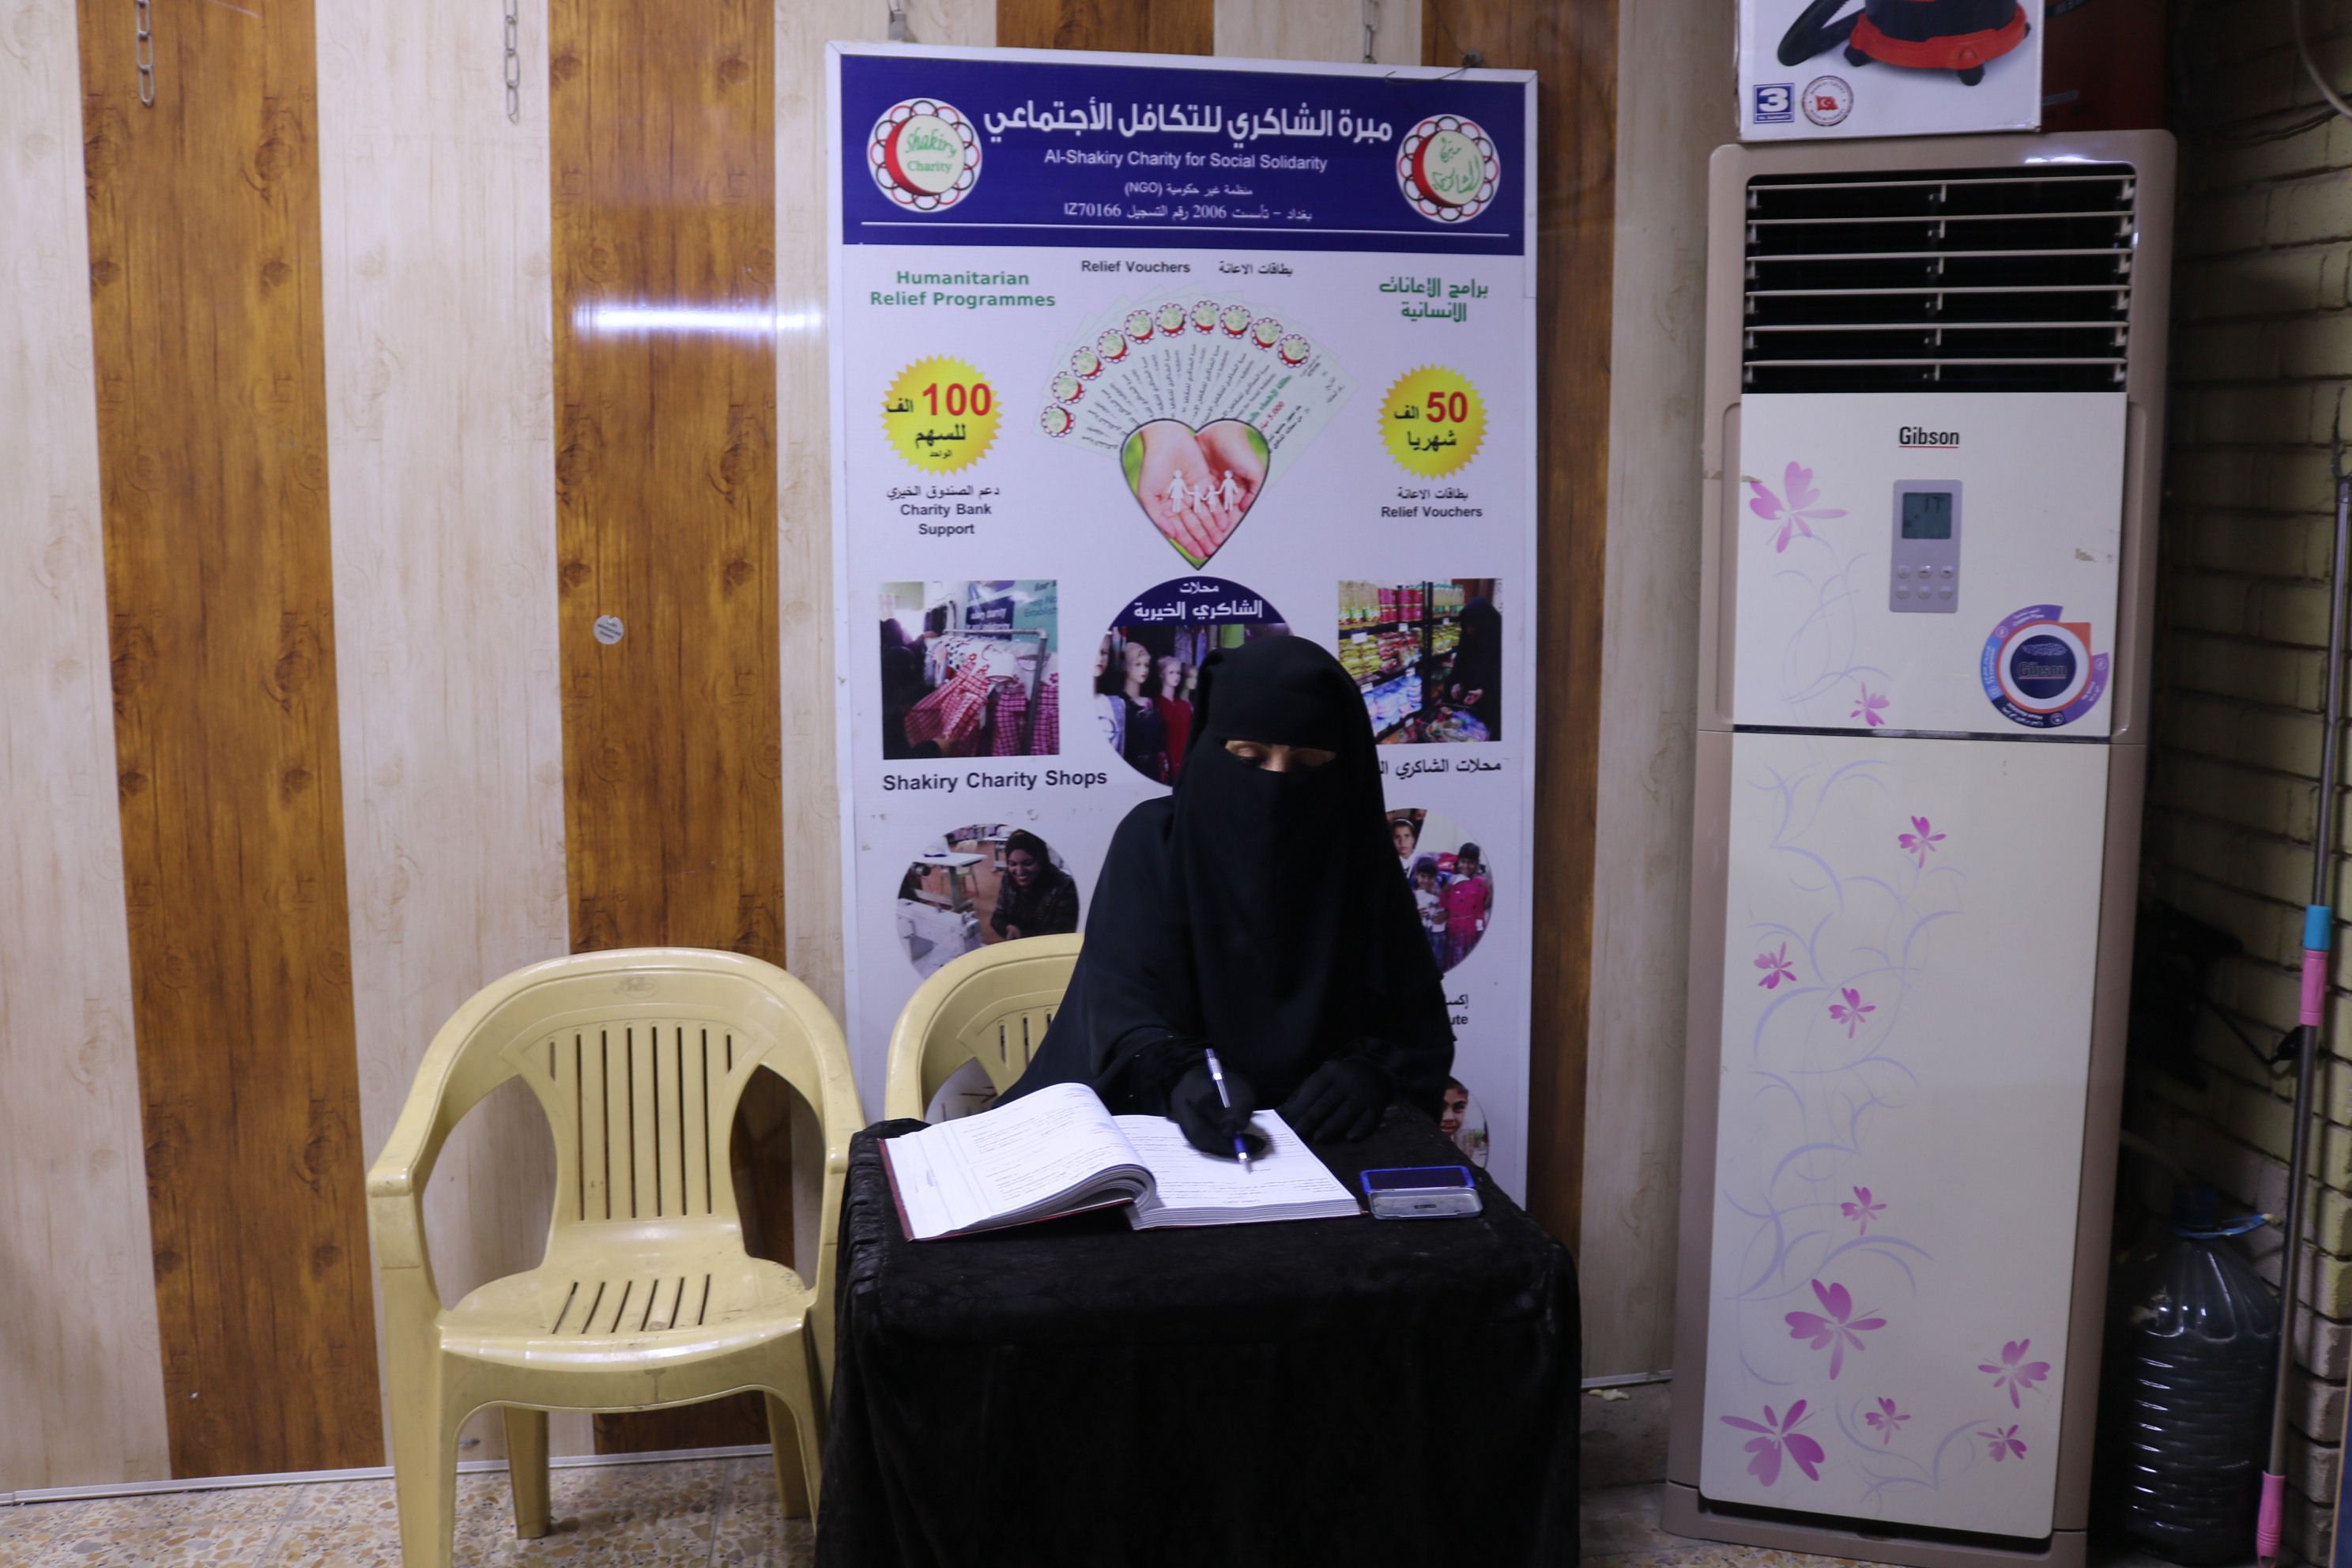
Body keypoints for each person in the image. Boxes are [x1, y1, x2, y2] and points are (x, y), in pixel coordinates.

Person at [1002, 635, 1455, 1153]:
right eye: (1249, 757)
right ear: (1209, 749)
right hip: (1155, 1132)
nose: (1276, 787)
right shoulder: (1156, 841)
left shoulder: (1359, 858)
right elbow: (1121, 1003)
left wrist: (1374, 1074)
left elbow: (1416, 1029)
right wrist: (1176, 1074)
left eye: (1308, 766)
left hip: (1320, 1142)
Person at [989, 829, 1080, 941]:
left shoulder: (1063, 886)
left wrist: (1022, 936)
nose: (1020, 872)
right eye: (1012, 864)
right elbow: (997, 917)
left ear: (1041, 860)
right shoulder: (1009, 878)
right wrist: (1007, 928)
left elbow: (1062, 933)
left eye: (1028, 863)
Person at [1446, 596, 1502, 740]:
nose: (1469, 630)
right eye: (1466, 626)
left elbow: (1503, 675)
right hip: (1467, 696)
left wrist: (1485, 691)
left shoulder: (1501, 638)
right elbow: (1460, 661)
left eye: (1473, 626)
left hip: (1490, 700)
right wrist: (1456, 682)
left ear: (1484, 624)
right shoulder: (1467, 634)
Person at [1118, 638, 1169, 782]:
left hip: (1153, 772)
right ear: (1127, 666)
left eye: (1146, 665)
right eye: (1138, 664)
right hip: (1129, 772)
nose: (1144, 669)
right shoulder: (1119, 704)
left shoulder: (1152, 704)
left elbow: (1160, 744)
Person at [1442, 842, 1492, 971]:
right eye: (1463, 861)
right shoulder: (1452, 881)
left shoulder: (1481, 883)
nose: (1466, 866)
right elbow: (1446, 905)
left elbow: (1484, 906)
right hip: (1454, 930)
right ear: (1458, 861)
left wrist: (1491, 890)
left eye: (1471, 862)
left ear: (1477, 863)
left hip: (1471, 931)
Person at [1154, 655, 1193, 773]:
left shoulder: (1185, 706)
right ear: (1162, 674)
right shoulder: (1156, 704)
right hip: (1166, 767)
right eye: (1171, 672)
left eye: (1178, 673)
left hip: (1185, 765)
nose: (1176, 676)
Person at [1094, 635, 1125, 757]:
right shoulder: (1068, 705)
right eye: (1094, 652)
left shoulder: (1117, 705)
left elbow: (1120, 753)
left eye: (1104, 653)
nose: (1100, 658)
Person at [1391, 814, 1420, 880]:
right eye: (1397, 837)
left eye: (1407, 836)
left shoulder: (1422, 860)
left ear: (1414, 838)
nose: (1402, 842)